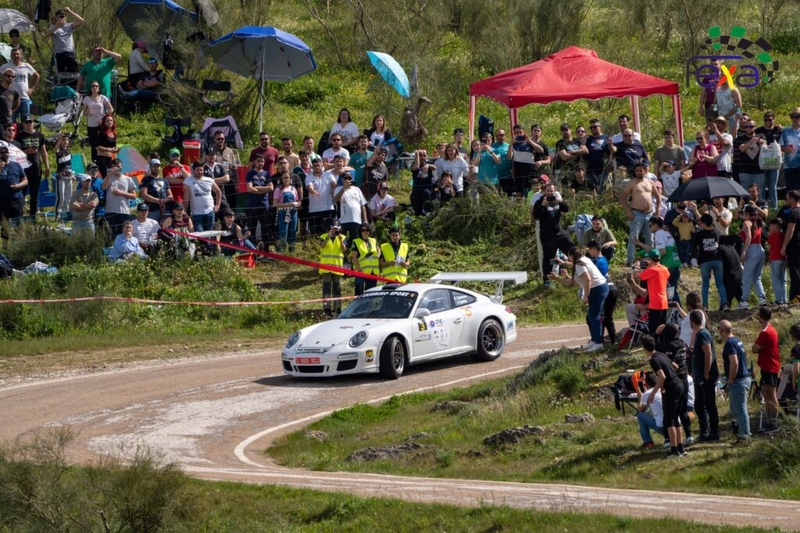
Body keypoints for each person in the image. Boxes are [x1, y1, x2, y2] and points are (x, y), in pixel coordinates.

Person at [549, 246, 609, 353]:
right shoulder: (583, 260)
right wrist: (558, 275)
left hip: (597, 289)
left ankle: (598, 343)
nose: (568, 259)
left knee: (594, 316)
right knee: (591, 316)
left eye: (568, 257)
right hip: (600, 287)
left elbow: (588, 280)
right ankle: (595, 340)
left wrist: (586, 295)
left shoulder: (579, 265)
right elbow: (569, 282)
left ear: (571, 256)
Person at [642, 335, 687, 457]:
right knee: (675, 417)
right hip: (679, 385)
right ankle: (680, 447)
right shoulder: (662, 354)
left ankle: (674, 450)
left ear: (645, 349)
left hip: (671, 389)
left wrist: (653, 393)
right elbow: (675, 367)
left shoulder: (653, 360)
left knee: (669, 420)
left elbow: (662, 376)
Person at [654, 322, 694, 446]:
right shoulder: (682, 343)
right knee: (683, 409)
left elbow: (653, 347)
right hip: (684, 379)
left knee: (669, 412)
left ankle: (668, 439)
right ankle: (689, 435)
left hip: (671, 381)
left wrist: (656, 334)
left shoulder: (665, 346)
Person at [718, 320, 751, 444]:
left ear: (722, 330)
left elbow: (734, 362)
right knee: (737, 409)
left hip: (738, 381)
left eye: (718, 329)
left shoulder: (730, 343)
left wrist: (730, 379)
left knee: (741, 409)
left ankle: (744, 436)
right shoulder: (737, 340)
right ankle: (741, 432)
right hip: (743, 378)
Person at [620, 162, 660, 266]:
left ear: (645, 171)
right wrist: (628, 211)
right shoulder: (632, 183)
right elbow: (622, 198)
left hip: (649, 214)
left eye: (640, 170)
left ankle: (650, 260)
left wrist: (658, 209)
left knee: (649, 238)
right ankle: (630, 261)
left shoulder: (650, 182)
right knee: (634, 238)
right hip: (636, 213)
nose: (638, 172)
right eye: (637, 171)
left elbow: (658, 196)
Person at [533, 182, 573, 286]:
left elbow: (566, 209)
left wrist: (560, 202)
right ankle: (547, 280)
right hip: (547, 235)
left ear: (554, 191)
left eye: (552, 191)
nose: (550, 193)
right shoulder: (540, 201)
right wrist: (543, 205)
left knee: (572, 249)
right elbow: (535, 215)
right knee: (548, 258)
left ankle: (577, 270)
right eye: (548, 191)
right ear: (544, 191)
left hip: (559, 232)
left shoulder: (557, 200)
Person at [637, 216, 682, 305]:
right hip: (675, 265)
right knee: (672, 292)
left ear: (656, 225)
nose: (649, 228)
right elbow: (654, 249)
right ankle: (678, 313)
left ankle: (676, 314)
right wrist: (639, 243)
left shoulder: (658, 234)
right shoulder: (666, 233)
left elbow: (661, 252)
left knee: (669, 293)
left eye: (650, 226)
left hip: (668, 266)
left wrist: (651, 260)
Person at [690, 309, 720, 443]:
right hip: (698, 376)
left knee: (709, 404)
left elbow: (708, 354)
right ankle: (704, 431)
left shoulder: (703, 334)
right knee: (698, 404)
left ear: (692, 321)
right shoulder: (698, 334)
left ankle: (714, 432)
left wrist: (706, 372)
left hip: (706, 376)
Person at [753, 306, 781, 432]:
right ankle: (770, 421)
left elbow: (754, 348)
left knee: (771, 393)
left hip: (770, 366)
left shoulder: (765, 332)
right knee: (766, 393)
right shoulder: (771, 330)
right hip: (768, 366)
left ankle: (774, 422)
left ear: (761, 316)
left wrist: (760, 348)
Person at [628, 249, 670, 334]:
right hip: (664, 303)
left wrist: (636, 267)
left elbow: (635, 276)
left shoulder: (652, 270)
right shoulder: (665, 269)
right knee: (662, 329)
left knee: (653, 330)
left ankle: (653, 345)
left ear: (650, 259)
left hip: (655, 304)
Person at [14, 115, 48, 218]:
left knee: (35, 194)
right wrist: (26, 151)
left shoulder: (39, 135)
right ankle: (20, 215)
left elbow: (44, 151)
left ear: (33, 123)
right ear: (23, 124)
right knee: (22, 193)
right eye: (26, 122)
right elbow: (15, 152)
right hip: (24, 168)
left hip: (36, 167)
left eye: (30, 122)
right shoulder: (20, 136)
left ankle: (33, 217)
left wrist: (47, 166)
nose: (29, 124)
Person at [694, 213, 729, 310]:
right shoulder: (717, 232)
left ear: (704, 223)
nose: (701, 224)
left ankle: (705, 306)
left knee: (705, 284)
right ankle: (725, 304)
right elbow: (720, 244)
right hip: (717, 259)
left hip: (705, 261)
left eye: (701, 222)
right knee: (720, 284)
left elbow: (697, 247)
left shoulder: (699, 234)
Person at [586, 240, 617, 345]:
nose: (589, 253)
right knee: (596, 316)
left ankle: (606, 341)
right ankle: (598, 340)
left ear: (594, 249)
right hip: (607, 290)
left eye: (589, 250)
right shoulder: (599, 260)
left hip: (608, 290)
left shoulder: (600, 262)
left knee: (603, 317)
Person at [739, 205, 767, 309]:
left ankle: (744, 300)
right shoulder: (758, 223)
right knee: (756, 278)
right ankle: (762, 298)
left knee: (746, 277)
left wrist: (744, 251)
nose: (742, 215)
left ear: (747, 214)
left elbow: (749, 237)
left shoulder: (746, 223)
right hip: (761, 250)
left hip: (752, 250)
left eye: (743, 213)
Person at [0, 47, 38, 121]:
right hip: (11, 99)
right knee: (11, 121)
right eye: (14, 54)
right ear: (11, 56)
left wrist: (32, 88)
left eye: (18, 54)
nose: (16, 56)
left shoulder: (26, 66)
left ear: (21, 55)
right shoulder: (6, 66)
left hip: (24, 98)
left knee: (26, 121)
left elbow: (37, 76)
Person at [245, 153, 274, 250]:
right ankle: (253, 250)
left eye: (262, 161)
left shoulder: (267, 174)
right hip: (252, 206)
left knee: (265, 229)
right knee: (252, 229)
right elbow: (249, 189)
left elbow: (271, 188)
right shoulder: (250, 174)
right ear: (254, 162)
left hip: (264, 205)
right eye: (258, 161)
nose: (260, 163)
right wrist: (263, 190)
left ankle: (266, 250)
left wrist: (257, 188)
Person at [319, 219, 348, 317]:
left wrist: (339, 239)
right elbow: (322, 246)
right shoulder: (323, 236)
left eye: (336, 228)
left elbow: (344, 250)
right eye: (333, 227)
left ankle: (337, 308)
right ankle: (327, 309)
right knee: (326, 289)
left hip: (337, 267)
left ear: (340, 228)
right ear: (330, 227)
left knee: (337, 288)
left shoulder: (343, 237)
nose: (335, 229)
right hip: (326, 267)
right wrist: (327, 237)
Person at [102, 158, 137, 236]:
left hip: (124, 211)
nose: (117, 169)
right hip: (110, 211)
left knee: (124, 234)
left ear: (122, 167)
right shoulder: (108, 178)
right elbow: (103, 187)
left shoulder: (128, 179)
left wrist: (121, 193)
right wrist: (109, 175)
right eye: (115, 167)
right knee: (111, 234)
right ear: (111, 167)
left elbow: (134, 196)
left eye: (119, 167)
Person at [81, 81, 113, 164]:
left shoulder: (103, 98)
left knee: (104, 141)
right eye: (92, 86)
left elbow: (111, 109)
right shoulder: (87, 98)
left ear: (99, 88)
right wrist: (87, 112)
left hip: (102, 123)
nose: (94, 87)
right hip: (91, 124)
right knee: (93, 143)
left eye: (96, 86)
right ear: (90, 88)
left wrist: (105, 118)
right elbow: (84, 112)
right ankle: (95, 161)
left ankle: (106, 158)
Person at [184, 160, 222, 231]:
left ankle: (210, 243)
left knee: (209, 234)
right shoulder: (188, 181)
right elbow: (186, 197)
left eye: (201, 170)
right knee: (200, 234)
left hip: (210, 211)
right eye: (197, 170)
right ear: (193, 170)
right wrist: (185, 210)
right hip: (196, 213)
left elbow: (218, 191)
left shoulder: (209, 180)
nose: (199, 172)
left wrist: (217, 205)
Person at [0, 145, 26, 243]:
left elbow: (25, 180)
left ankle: (20, 245)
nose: (4, 155)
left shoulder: (16, 165)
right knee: (4, 225)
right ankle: (5, 247)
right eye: (2, 153)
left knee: (18, 223)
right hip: (2, 200)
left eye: (5, 152)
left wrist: (19, 185)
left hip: (16, 198)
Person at [45, 8, 84, 73]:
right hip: (59, 54)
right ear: (56, 17)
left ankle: (73, 83)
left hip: (69, 53)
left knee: (73, 73)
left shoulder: (69, 26)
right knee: (61, 74)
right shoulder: (53, 26)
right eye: (60, 16)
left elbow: (81, 20)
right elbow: (47, 34)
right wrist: (57, 26)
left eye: (63, 16)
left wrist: (70, 11)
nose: (62, 17)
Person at [756, 111, 782, 207]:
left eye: (770, 120)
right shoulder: (758, 131)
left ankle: (773, 206)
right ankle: (763, 206)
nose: (768, 121)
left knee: (772, 187)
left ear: (774, 120)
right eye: (766, 120)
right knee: (762, 186)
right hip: (763, 162)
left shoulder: (778, 130)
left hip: (774, 162)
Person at [306, 157, 337, 237]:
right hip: (314, 209)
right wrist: (313, 191)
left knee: (329, 231)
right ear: (312, 167)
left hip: (328, 207)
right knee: (315, 232)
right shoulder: (308, 177)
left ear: (322, 165)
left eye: (318, 165)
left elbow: (334, 183)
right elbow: (309, 187)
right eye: (315, 166)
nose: (316, 167)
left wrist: (333, 189)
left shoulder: (328, 174)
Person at [735, 118, 766, 194]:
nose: (749, 128)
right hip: (744, 171)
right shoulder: (740, 138)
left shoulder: (761, 136)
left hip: (759, 171)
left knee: (759, 194)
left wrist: (762, 143)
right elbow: (742, 149)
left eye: (751, 126)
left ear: (755, 127)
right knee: (745, 194)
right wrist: (751, 141)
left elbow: (765, 149)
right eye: (746, 127)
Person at [334, 172, 367, 243]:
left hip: (356, 220)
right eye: (346, 178)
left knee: (356, 241)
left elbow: (362, 205)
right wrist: (343, 188)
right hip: (342, 220)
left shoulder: (357, 189)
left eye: (349, 178)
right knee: (341, 241)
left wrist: (365, 220)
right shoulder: (338, 189)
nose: (347, 180)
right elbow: (336, 200)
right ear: (342, 179)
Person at [273, 172, 300, 253]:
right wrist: (287, 204)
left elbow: (297, 200)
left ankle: (292, 251)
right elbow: (275, 204)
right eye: (284, 178)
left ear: (290, 178)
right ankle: (281, 252)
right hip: (283, 212)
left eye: (287, 177)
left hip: (293, 212)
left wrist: (298, 204)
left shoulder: (293, 189)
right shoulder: (278, 189)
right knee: (283, 232)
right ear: (281, 179)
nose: (286, 179)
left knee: (292, 232)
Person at [635, 372, 664, 449]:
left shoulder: (648, 393)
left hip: (662, 427)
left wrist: (640, 397)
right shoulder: (664, 389)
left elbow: (641, 410)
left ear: (646, 384)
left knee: (641, 416)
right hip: (675, 426)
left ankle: (648, 442)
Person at [781, 189, 800, 303]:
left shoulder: (793, 213)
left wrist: (784, 245)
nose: (786, 200)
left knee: (795, 271)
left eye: (787, 198)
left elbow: (790, 230)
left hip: (794, 245)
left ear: (792, 199)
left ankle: (795, 297)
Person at [351, 223, 381, 295]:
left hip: (373, 271)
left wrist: (378, 255)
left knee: (370, 292)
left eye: (367, 230)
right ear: (360, 232)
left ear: (370, 231)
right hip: (361, 271)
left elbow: (378, 249)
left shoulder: (373, 240)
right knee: (359, 291)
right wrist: (358, 269)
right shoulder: (356, 242)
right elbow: (354, 257)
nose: (365, 232)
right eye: (363, 230)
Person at [53, 133, 74, 223]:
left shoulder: (68, 151)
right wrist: (59, 139)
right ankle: (58, 214)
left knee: (68, 197)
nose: (65, 142)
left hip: (69, 177)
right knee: (61, 197)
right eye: (63, 140)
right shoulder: (59, 151)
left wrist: (72, 175)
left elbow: (70, 165)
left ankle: (66, 214)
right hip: (61, 177)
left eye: (67, 140)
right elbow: (55, 150)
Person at [767, 218, 787, 305]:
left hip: (775, 259)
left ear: (776, 226)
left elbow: (769, 248)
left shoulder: (772, 236)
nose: (770, 228)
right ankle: (784, 299)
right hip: (783, 259)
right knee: (783, 280)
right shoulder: (783, 235)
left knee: (776, 280)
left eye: (771, 226)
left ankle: (778, 300)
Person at [780, 108, 800, 192]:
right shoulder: (785, 131)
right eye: (792, 116)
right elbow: (780, 146)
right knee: (790, 190)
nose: (794, 119)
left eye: (797, 116)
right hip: (789, 165)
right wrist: (785, 149)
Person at [95, 114, 119, 179]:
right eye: (107, 121)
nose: (109, 122)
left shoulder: (114, 133)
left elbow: (113, 146)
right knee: (106, 177)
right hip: (102, 159)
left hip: (110, 159)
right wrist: (110, 150)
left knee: (112, 177)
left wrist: (116, 149)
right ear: (104, 123)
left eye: (111, 120)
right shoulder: (102, 133)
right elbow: (97, 147)